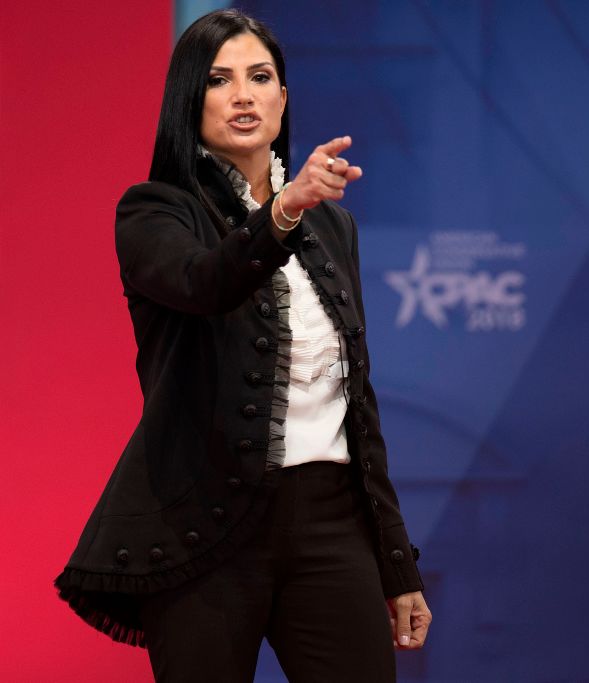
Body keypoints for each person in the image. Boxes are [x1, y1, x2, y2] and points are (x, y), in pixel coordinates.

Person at [53, 9, 430, 682]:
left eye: (261, 77)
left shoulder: (333, 227)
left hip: (330, 521)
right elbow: (205, 282)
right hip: (204, 525)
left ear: (284, 97)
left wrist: (397, 563)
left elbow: (357, 404)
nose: (245, 95)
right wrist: (282, 212)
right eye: (221, 80)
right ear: (189, 99)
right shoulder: (153, 211)